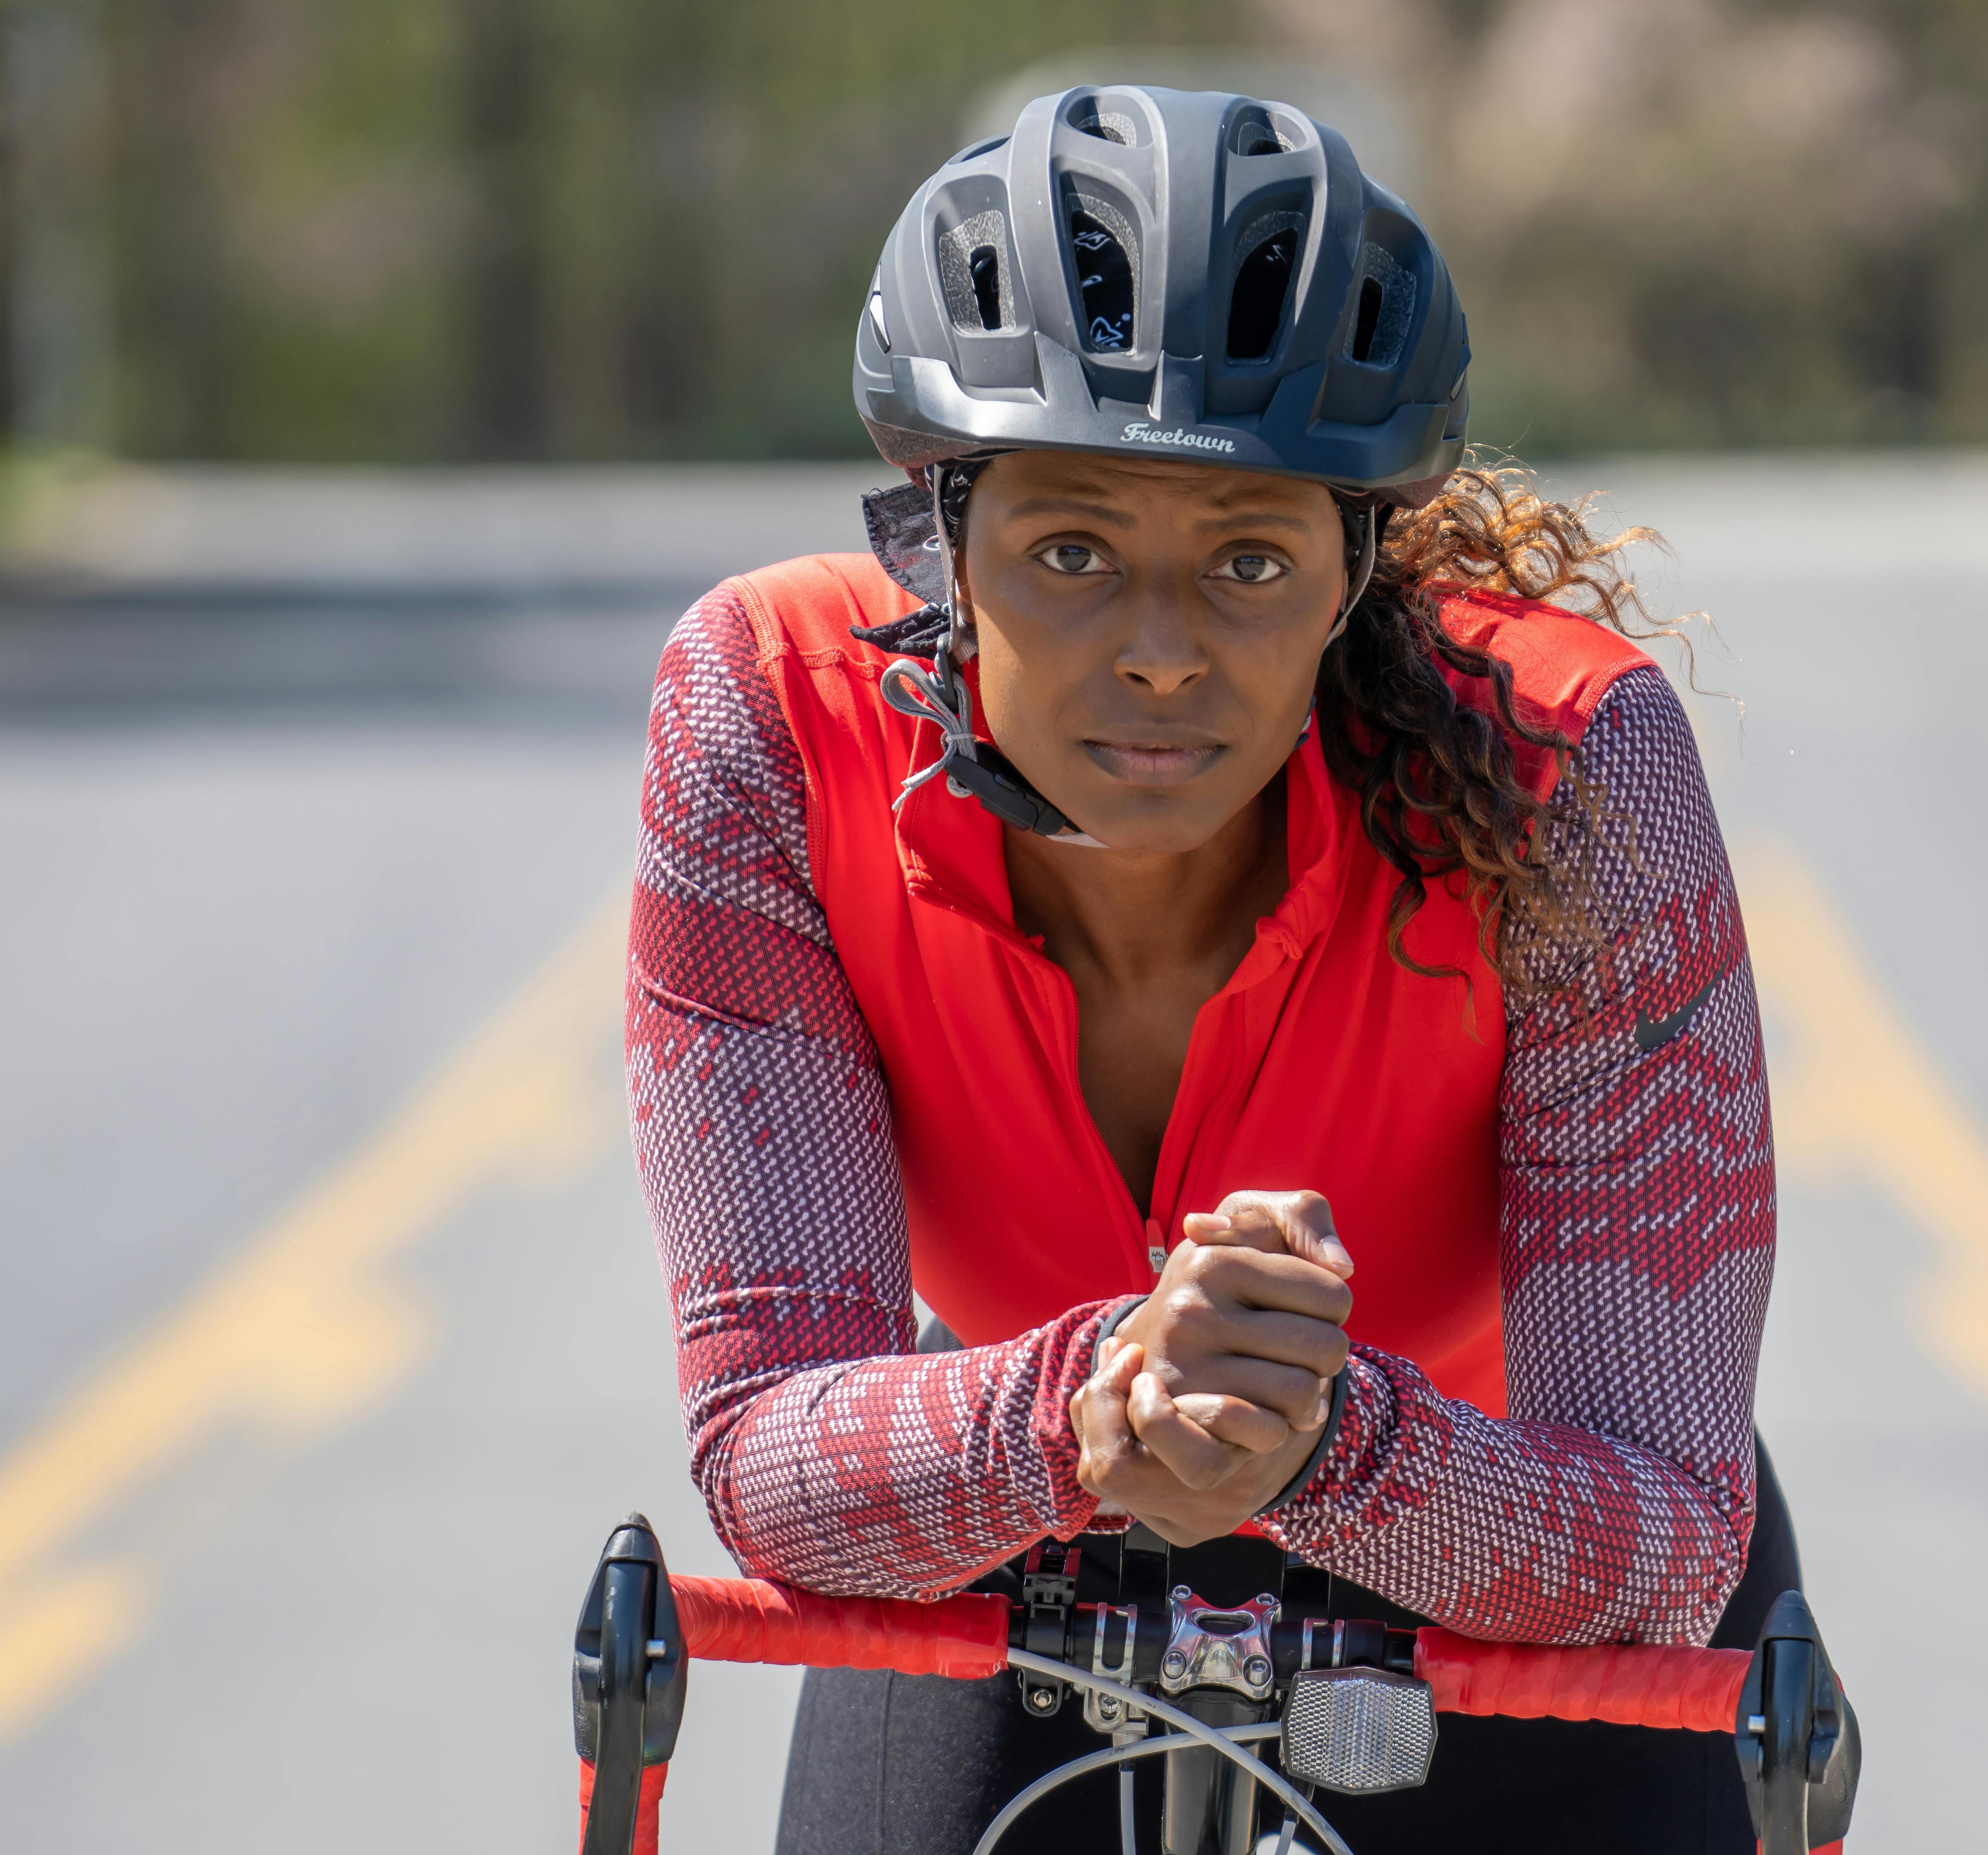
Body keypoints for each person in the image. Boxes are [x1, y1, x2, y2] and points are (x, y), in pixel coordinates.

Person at [625, 83, 1793, 1855]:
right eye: (1070, 552)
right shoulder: (770, 723)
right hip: (995, 1511)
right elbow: (769, 1447)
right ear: (938, 544)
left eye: (1249, 561)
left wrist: (1326, 1443)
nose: (1160, 654)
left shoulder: (1570, 773)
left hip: (1515, 1561)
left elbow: (1663, 1534)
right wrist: (1097, 1401)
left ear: (1355, 576)